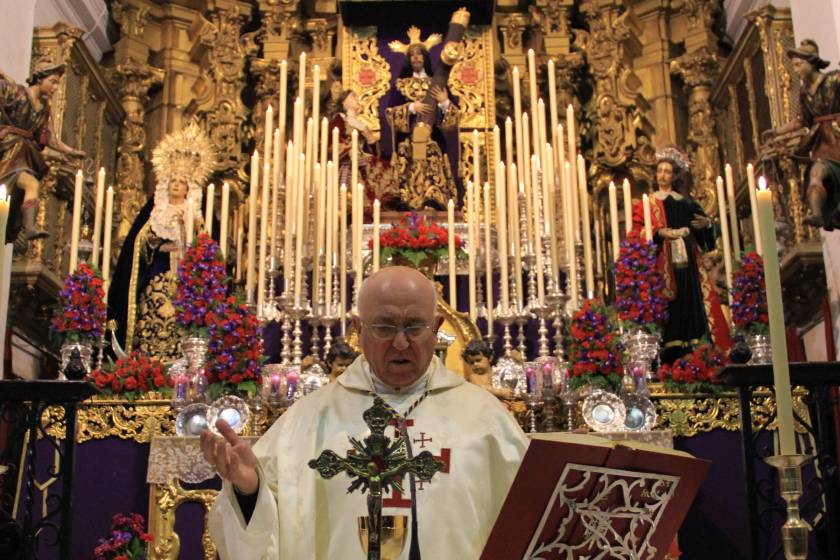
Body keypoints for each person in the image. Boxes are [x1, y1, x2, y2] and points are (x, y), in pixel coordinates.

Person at [203, 266, 527, 559]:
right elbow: (261, 530)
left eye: (415, 327)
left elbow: (532, 522)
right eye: (385, 327)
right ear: (359, 329)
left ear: (437, 327)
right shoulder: (308, 421)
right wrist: (249, 492)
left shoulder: (485, 419)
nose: (401, 343)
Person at [108, 122, 212, 361]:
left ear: (189, 188)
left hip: (184, 278)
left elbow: (204, 248)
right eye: (173, 180)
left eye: (181, 182)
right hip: (157, 273)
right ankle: (147, 363)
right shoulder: (154, 212)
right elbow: (137, 244)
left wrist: (188, 230)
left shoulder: (195, 214)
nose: (176, 185)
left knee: (181, 319)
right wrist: (155, 242)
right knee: (150, 313)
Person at [633, 147, 732, 363]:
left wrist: (707, 225)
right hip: (662, 260)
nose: (663, 175)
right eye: (660, 171)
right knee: (668, 302)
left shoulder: (686, 203)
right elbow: (637, 232)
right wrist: (659, 233)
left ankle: (696, 345)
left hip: (688, 259)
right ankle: (669, 347)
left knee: (690, 295)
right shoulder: (647, 204)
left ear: (674, 175)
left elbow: (705, 233)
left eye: (668, 171)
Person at [0, 57, 85, 246]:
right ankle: (29, 227)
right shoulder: (16, 92)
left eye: (57, 83)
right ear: (39, 78)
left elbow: (50, 138)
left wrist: (72, 152)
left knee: (27, 187)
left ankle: (28, 227)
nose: (55, 88)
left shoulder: (44, 109)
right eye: (52, 82)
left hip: (24, 154)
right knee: (31, 185)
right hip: (8, 150)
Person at [763, 39, 840, 229]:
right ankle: (817, 214)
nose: (796, 71)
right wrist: (777, 132)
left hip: (838, 134)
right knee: (816, 172)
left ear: (811, 62)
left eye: (798, 65)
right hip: (823, 142)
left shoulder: (833, 80)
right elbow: (800, 121)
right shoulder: (805, 93)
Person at [385, 26, 460, 211]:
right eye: (413, 55)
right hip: (408, 139)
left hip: (432, 137)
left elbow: (453, 119)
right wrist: (411, 107)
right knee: (405, 160)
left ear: (425, 58)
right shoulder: (400, 85)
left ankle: (432, 197)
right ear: (408, 60)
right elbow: (389, 113)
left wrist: (444, 102)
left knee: (432, 159)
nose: (416, 57)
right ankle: (404, 198)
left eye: (420, 54)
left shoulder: (438, 83)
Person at [329, 90, 395, 209]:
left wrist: (371, 141)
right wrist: (348, 148)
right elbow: (332, 143)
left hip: (362, 160)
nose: (356, 98)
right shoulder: (340, 119)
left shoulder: (360, 124)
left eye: (356, 95)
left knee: (385, 167)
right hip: (349, 162)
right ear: (344, 103)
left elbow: (373, 151)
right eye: (352, 96)